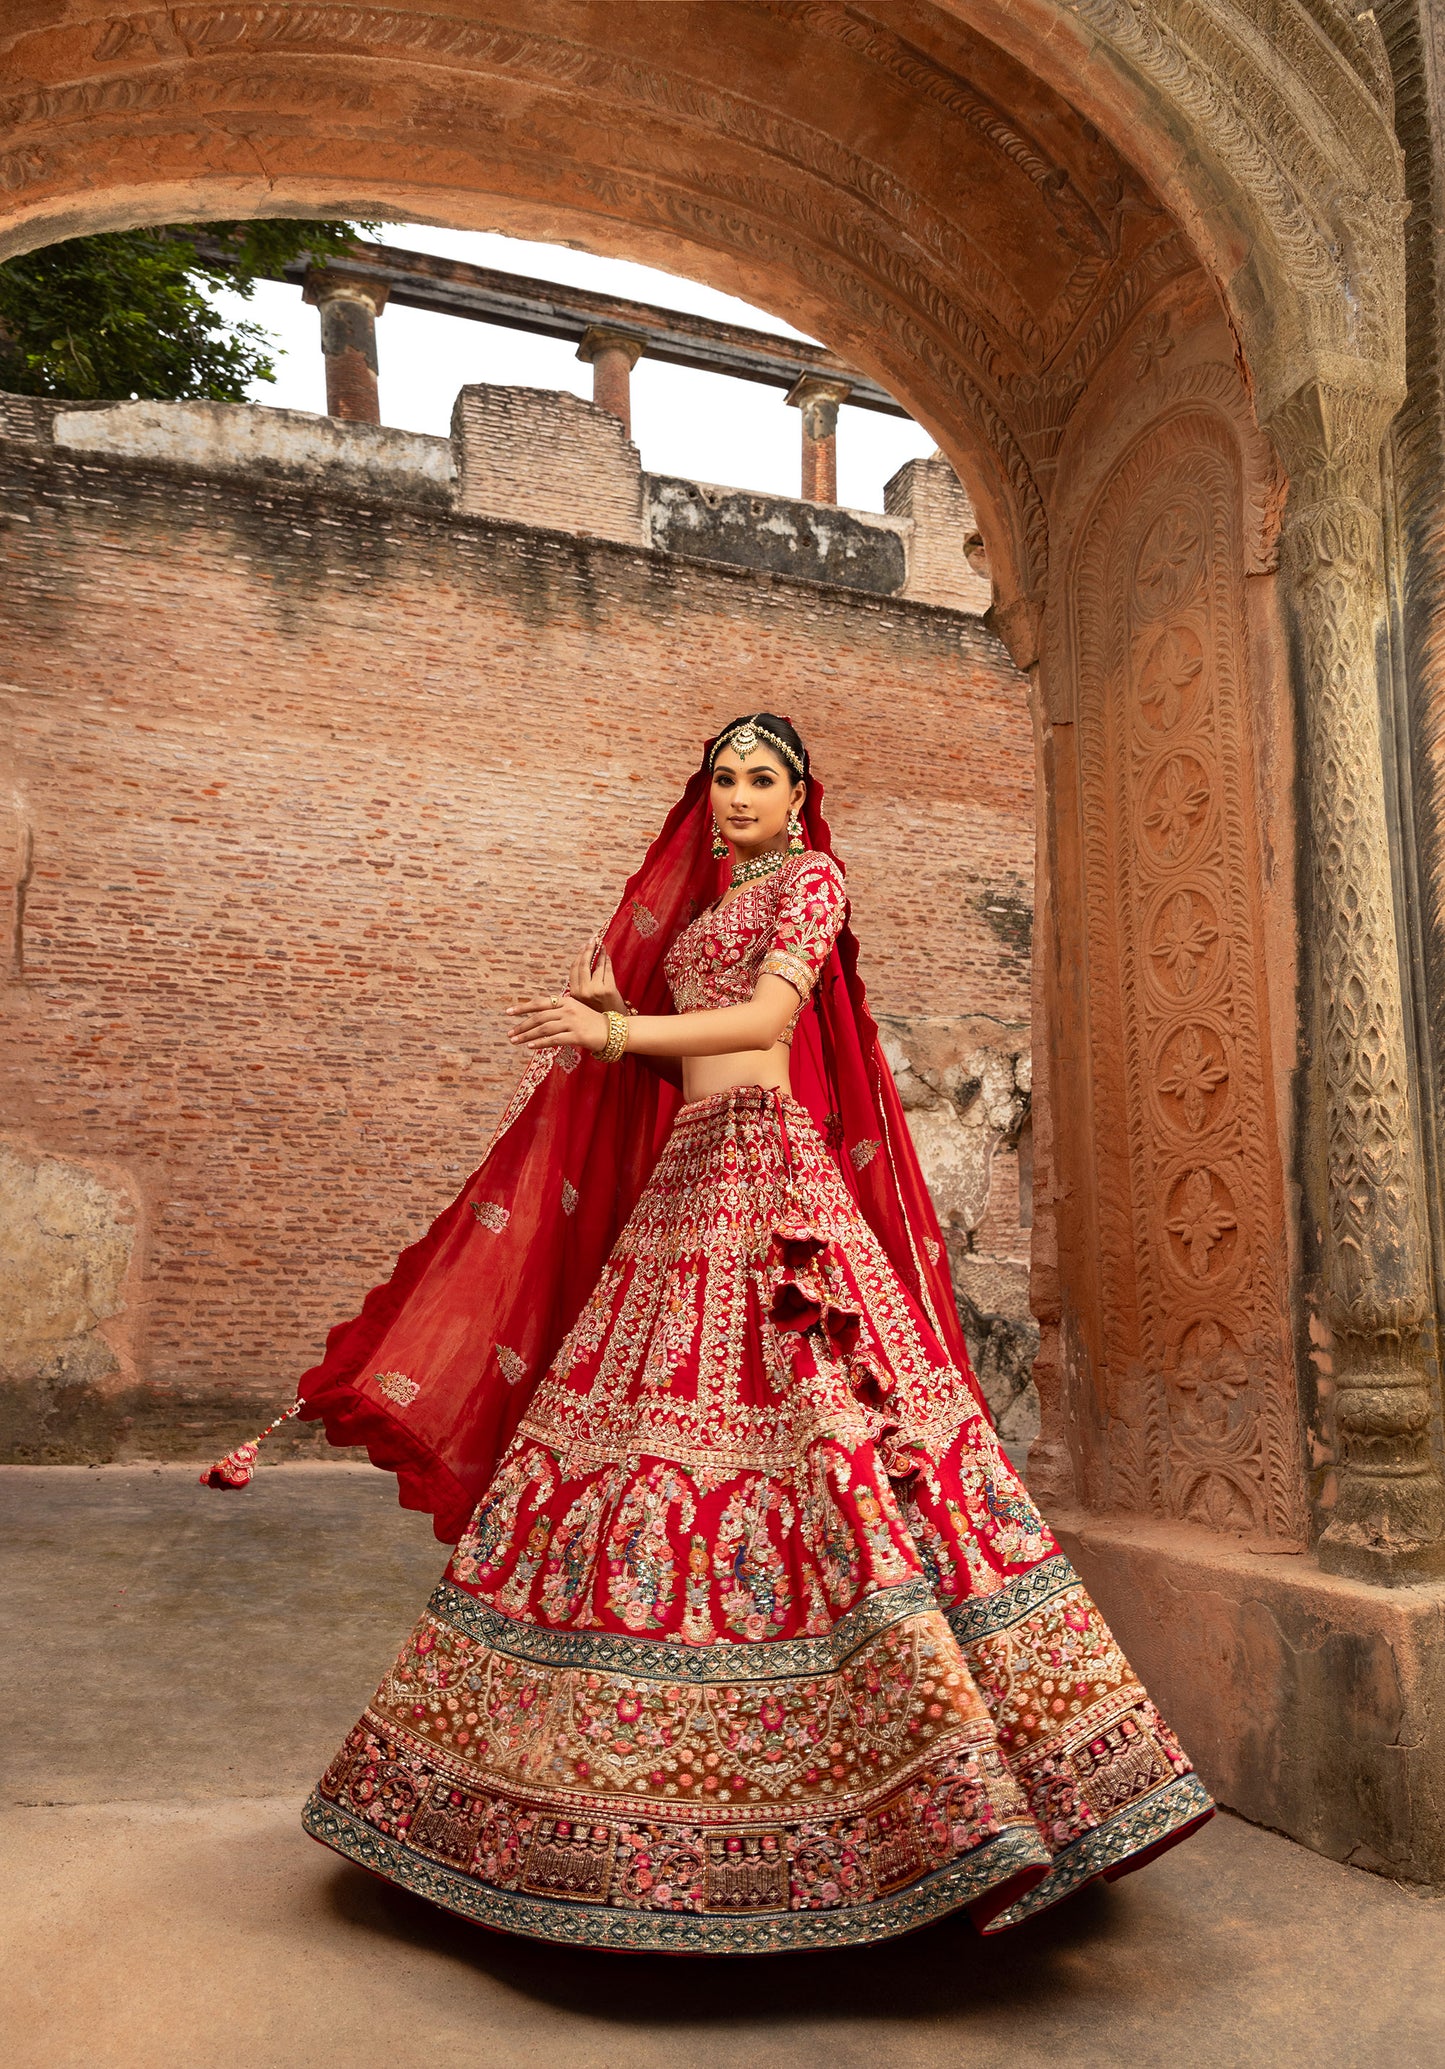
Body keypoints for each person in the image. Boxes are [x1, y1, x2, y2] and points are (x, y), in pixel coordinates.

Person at [218, 712, 1211, 1952]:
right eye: (722, 779)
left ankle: (955, 1793)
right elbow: (688, 1060)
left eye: (760, 779)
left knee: (832, 1442)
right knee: (631, 1458)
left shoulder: (811, 880)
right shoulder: (697, 920)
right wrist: (616, 1030)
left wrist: (616, 1029)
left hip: (772, 1190)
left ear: (799, 797)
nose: (737, 797)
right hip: (686, 1180)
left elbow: (763, 1032)